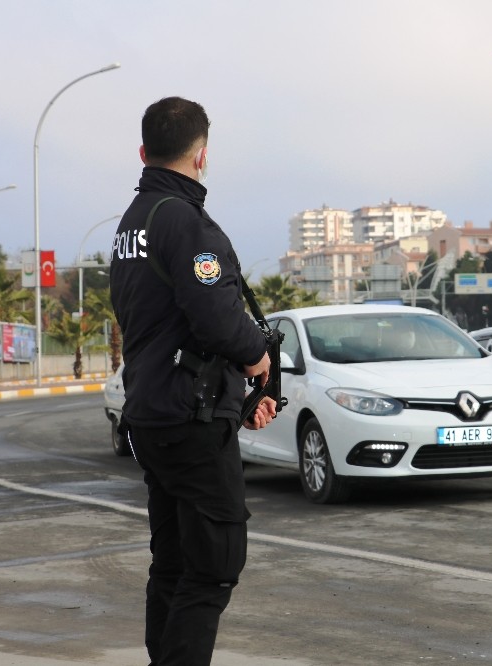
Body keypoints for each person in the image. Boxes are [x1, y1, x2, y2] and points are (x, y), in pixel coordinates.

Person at [109, 96, 277, 666]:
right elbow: (213, 314)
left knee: (176, 564)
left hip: (154, 414)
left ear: (143, 151)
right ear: (202, 154)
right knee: (213, 566)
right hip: (190, 419)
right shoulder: (183, 220)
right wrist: (256, 358)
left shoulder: (133, 222)